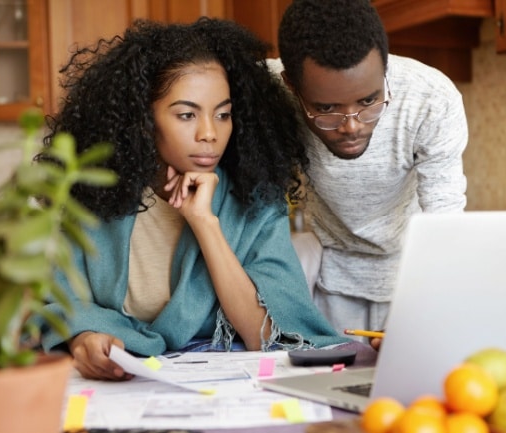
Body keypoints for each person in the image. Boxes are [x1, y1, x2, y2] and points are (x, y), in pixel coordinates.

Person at [39, 18, 350, 380]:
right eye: (187, 115)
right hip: (120, 387)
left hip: (229, 387)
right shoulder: (92, 197)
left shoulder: (256, 199)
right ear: (142, 120)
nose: (210, 134)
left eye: (223, 115)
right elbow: (60, 307)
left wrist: (204, 223)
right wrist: (85, 339)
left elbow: (268, 336)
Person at [271, 0, 468, 348]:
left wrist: (422, 307)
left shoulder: (431, 99)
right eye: (326, 109)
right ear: (291, 85)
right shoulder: (267, 89)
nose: (351, 127)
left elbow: (445, 223)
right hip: (325, 282)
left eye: (368, 101)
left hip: (414, 276)